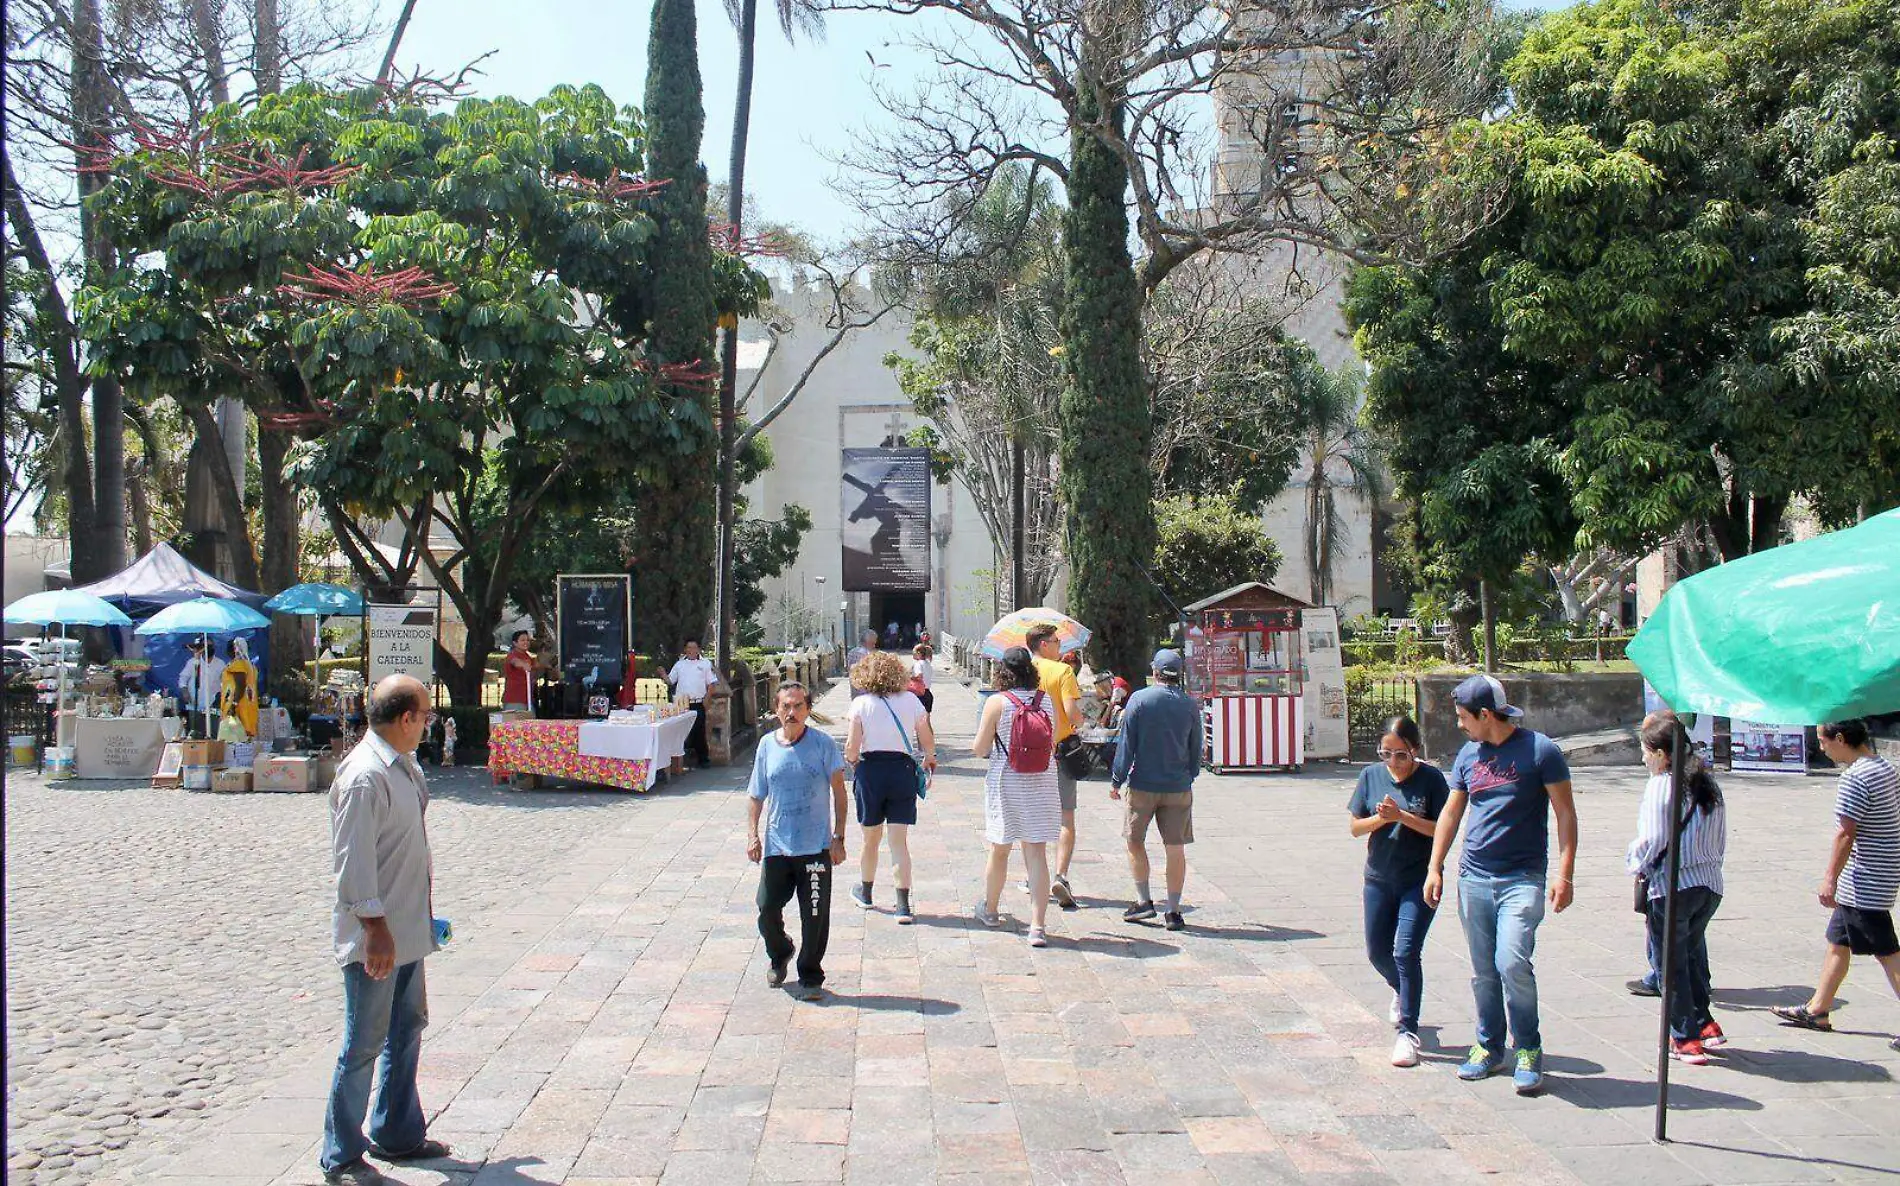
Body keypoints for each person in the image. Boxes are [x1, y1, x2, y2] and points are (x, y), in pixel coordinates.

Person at [320, 675, 449, 1185]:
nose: (428, 724)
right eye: (425, 714)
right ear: (406, 720)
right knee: (364, 1043)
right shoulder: (364, 777)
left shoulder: (405, 766)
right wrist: (374, 927)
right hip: (378, 934)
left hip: (409, 925)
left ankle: (396, 1129)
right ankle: (342, 1153)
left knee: (407, 1029)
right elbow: (352, 864)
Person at [1424, 674, 1578, 1096]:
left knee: (1512, 963)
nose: (1459, 725)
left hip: (1522, 878)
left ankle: (1527, 1046)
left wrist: (1565, 873)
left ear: (1486, 715)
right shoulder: (1468, 755)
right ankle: (1488, 1046)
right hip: (1474, 877)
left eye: (1463, 717)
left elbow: (1565, 812)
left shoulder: (1540, 751)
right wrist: (1435, 866)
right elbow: (1452, 814)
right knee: (1483, 971)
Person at [1773, 719, 1900, 1051]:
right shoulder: (1884, 767)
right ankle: (1817, 1009)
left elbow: (1846, 833)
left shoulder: (1854, 777)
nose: (1822, 748)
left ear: (1840, 738)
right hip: (1883, 868)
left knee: (1887, 952)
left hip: (1865, 878)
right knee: (1838, 942)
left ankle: (1818, 1009)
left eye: (1823, 741)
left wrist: (1830, 878)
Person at [1626, 711, 1729, 1065]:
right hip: (1709, 885)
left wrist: (1633, 863)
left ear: (1661, 754)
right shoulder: (1707, 784)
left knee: (1670, 964)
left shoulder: (1661, 786)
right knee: (1693, 954)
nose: (1642, 758)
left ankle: (1684, 1037)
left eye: (1644, 751)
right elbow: (1719, 838)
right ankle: (1705, 1023)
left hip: (1673, 886)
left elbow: (1653, 839)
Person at [1349, 715, 1450, 1068]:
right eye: (1386, 753)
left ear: (1415, 751)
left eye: (1401, 755)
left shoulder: (1432, 780)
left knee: (1406, 951)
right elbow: (1355, 827)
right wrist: (1382, 819)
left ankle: (1408, 1031)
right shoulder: (1370, 776)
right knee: (1377, 952)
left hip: (1417, 879)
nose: (1393, 762)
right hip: (1378, 877)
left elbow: (1442, 828)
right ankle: (1402, 990)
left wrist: (1403, 816)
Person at [748, 682, 849, 1000]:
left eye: (798, 707)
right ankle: (780, 952)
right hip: (778, 845)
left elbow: (839, 793)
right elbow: (755, 795)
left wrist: (838, 837)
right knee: (766, 908)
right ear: (777, 710)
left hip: (815, 846)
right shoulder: (766, 745)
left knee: (815, 915)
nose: (791, 713)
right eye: (785, 707)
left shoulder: (823, 745)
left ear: (808, 709)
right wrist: (751, 835)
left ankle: (810, 974)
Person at [971, 646, 1062, 947]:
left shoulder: (997, 702)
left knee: (1000, 849)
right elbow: (1054, 741)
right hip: (1041, 782)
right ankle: (1038, 926)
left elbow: (981, 749)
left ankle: (992, 909)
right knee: (1036, 853)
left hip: (1007, 781)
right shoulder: (1045, 700)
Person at [1111, 649, 1203, 933]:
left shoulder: (1140, 699)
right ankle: (1173, 911)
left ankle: (1143, 901)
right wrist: (1190, 774)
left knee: (1134, 840)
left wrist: (1117, 779)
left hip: (1143, 785)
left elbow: (1127, 744)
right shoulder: (1189, 705)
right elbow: (1196, 748)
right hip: (1178, 786)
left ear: (1155, 673)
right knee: (1175, 848)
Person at [845, 650, 937, 924]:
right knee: (899, 842)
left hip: (871, 772)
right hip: (902, 771)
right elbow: (927, 740)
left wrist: (853, 763)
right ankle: (902, 906)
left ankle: (867, 892)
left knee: (870, 839)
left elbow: (852, 748)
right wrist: (929, 759)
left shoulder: (861, 704)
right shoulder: (911, 701)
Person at [1027, 624, 1085, 909]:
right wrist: (1081, 721)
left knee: (1032, 816)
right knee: (1066, 818)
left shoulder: (1022, 671)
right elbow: (1072, 712)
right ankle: (1060, 875)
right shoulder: (1063, 672)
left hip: (1028, 753)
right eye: (1056, 641)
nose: (1060, 645)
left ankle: (1034, 874)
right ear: (1043, 645)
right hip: (1059, 751)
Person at [666, 639, 722, 768]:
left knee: (699, 731)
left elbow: (712, 683)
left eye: (694, 648)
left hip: (698, 702)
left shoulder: (705, 663)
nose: (691, 651)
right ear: (685, 649)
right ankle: (680, 758)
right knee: (680, 731)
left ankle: (703, 759)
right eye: (688, 648)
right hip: (682, 703)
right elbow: (670, 681)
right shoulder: (680, 664)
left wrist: (707, 699)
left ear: (698, 649)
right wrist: (663, 674)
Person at [179, 638, 226, 739]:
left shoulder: (221, 663)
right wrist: (185, 692)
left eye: (210, 646)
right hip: (194, 705)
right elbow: (183, 679)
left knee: (213, 735)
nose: (208, 649)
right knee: (195, 735)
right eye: (206, 646)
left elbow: (225, 682)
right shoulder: (193, 662)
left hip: (212, 706)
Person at [501, 630, 536, 712]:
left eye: (528, 640)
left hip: (527, 699)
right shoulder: (512, 655)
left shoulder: (528, 656)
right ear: (515, 643)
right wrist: (523, 665)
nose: (526, 642)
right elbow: (515, 662)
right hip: (515, 700)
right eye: (523, 640)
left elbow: (536, 667)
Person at [847, 629, 879, 696]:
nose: (874, 646)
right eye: (873, 643)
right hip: (866, 694)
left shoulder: (851, 652)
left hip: (855, 692)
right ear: (867, 642)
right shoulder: (866, 655)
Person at [909, 643, 936, 715]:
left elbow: (919, 676)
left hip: (920, 694)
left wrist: (908, 678)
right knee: (926, 721)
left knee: (918, 721)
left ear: (919, 653)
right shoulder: (927, 663)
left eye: (913, 653)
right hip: (928, 693)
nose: (912, 655)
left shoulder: (918, 664)